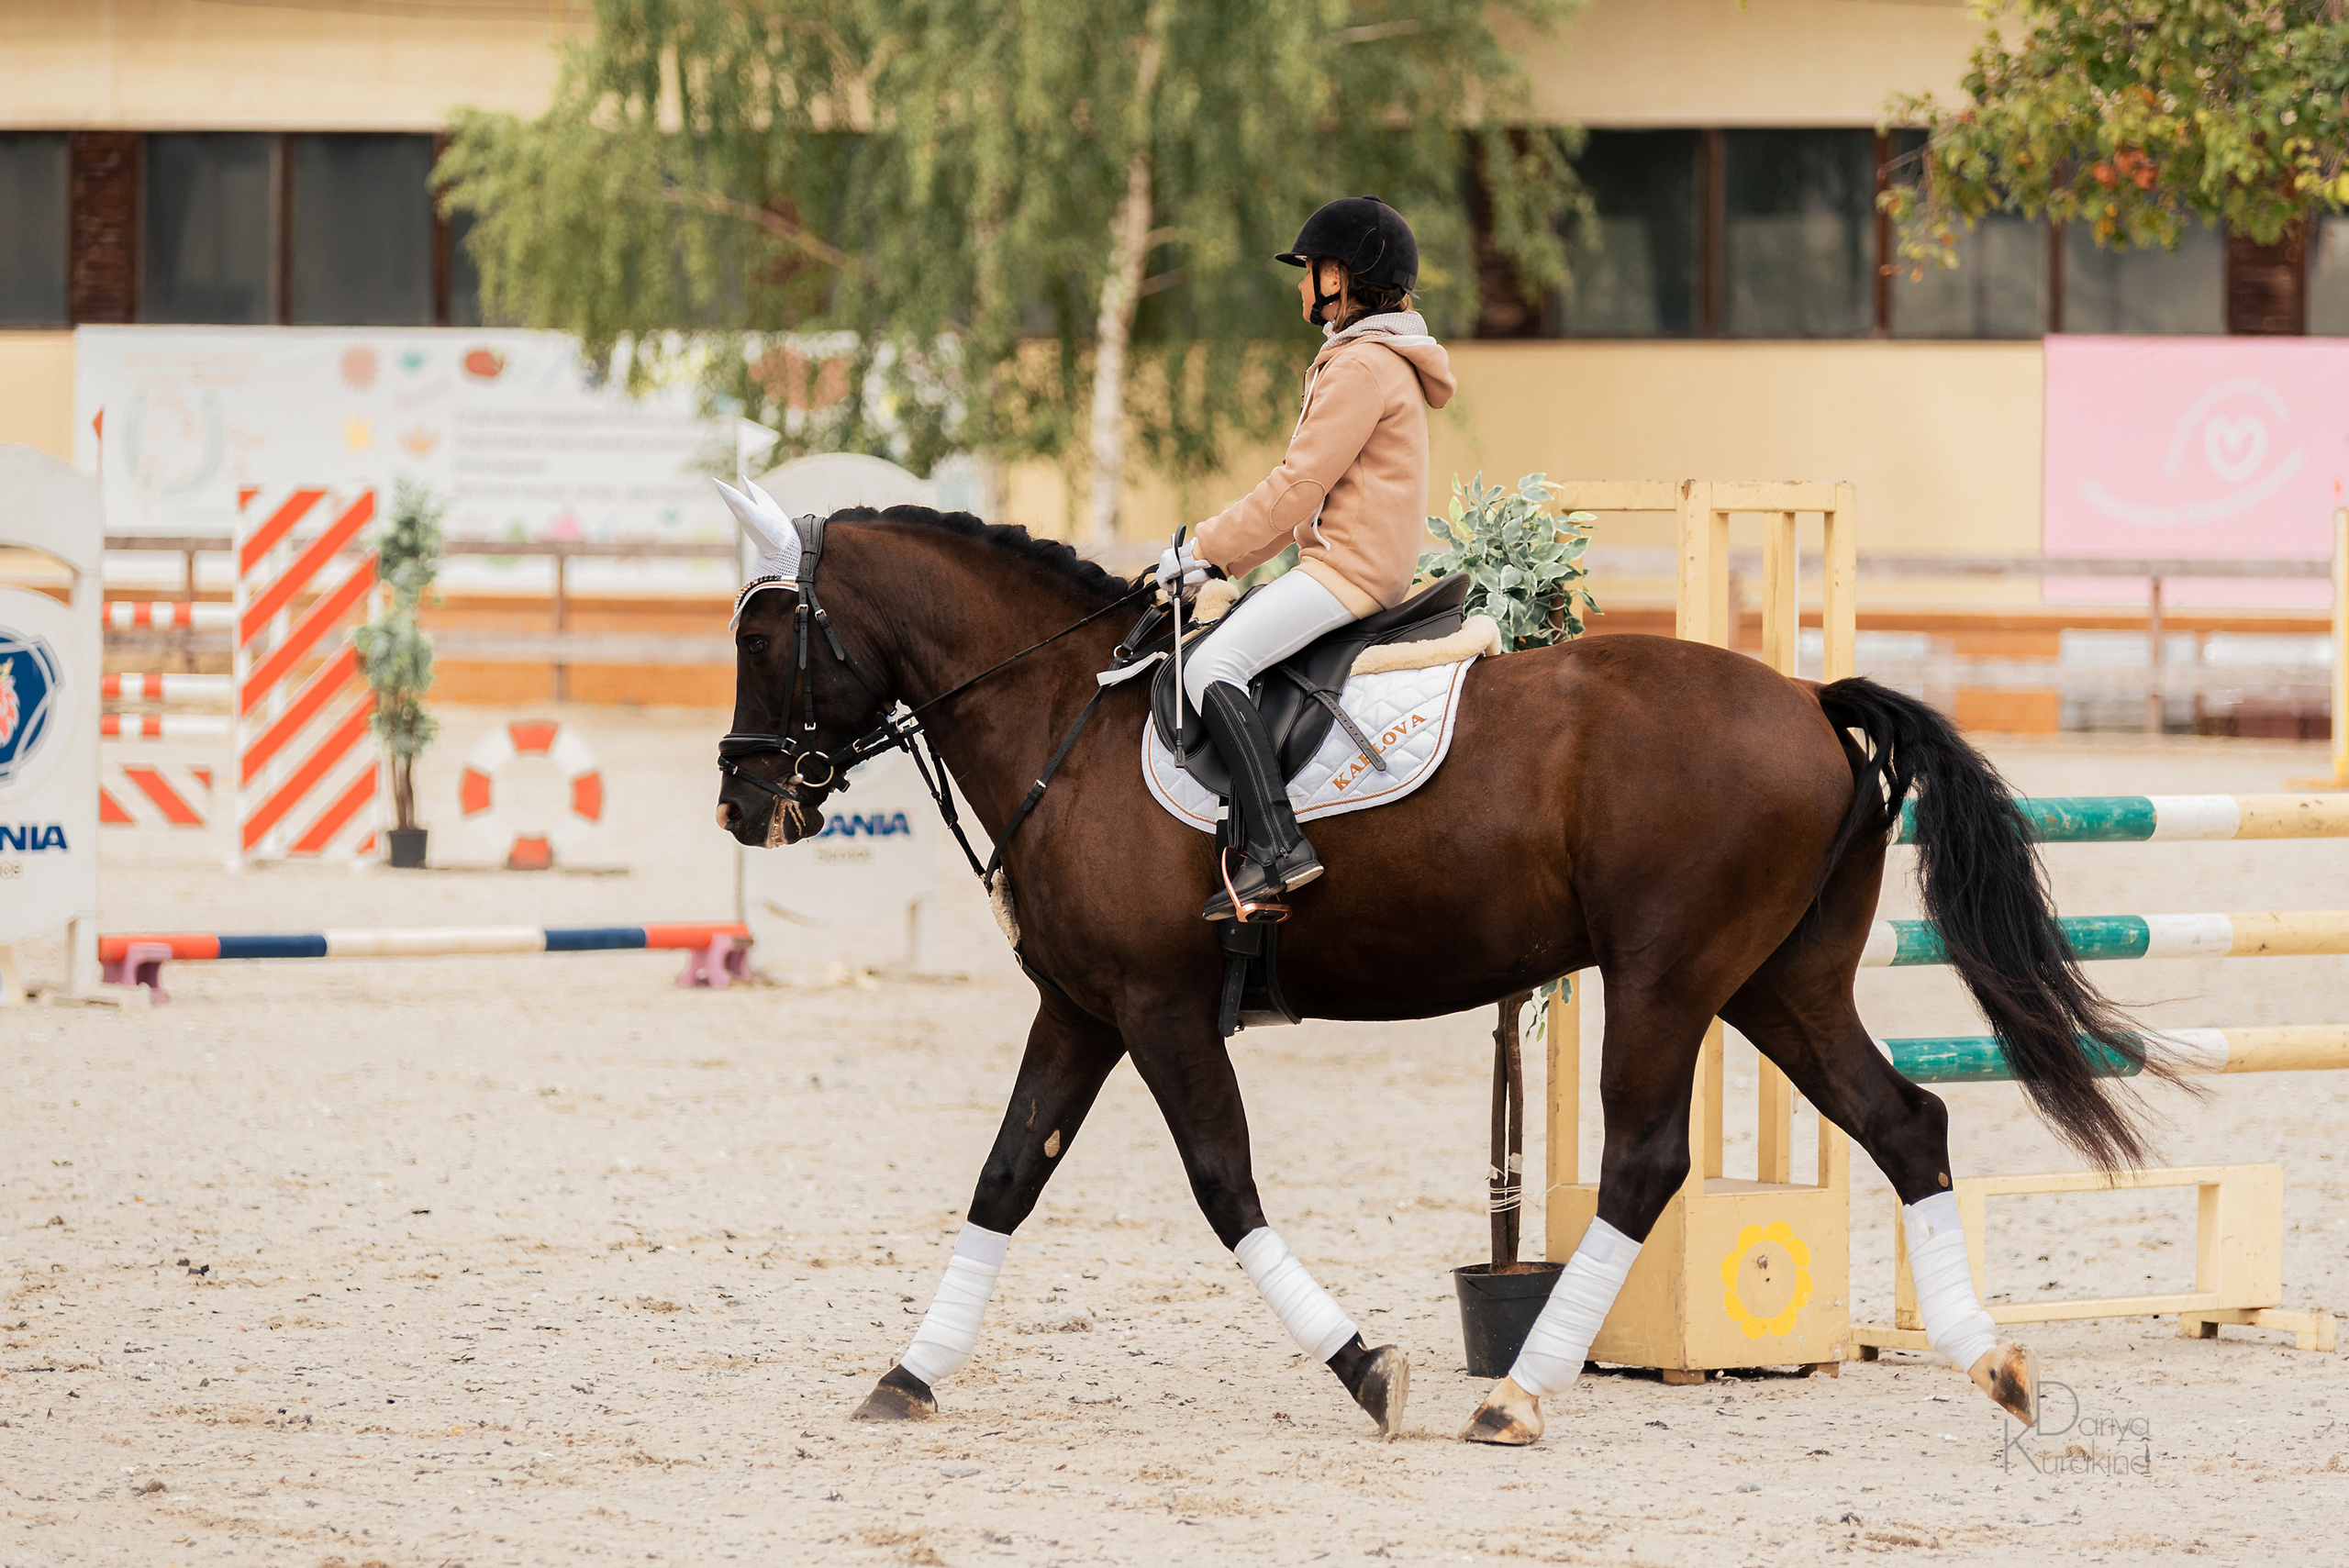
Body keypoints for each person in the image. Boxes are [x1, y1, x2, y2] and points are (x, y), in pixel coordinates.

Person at [1157, 195, 1455, 920]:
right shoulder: (1378, 359)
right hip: (1348, 561)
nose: (1301, 285)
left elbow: (1295, 487)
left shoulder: (1361, 367)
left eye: (1311, 270)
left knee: (1210, 666)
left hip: (1348, 571)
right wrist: (1222, 564)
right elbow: (1297, 510)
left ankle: (1277, 845)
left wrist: (1198, 546)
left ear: (1345, 279)